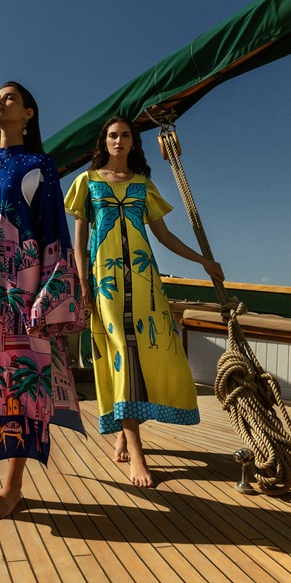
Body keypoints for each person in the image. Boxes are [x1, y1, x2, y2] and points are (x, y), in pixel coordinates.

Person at [0, 81, 85, 533]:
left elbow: (54, 235)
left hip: (22, 299)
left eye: (11, 97)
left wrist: (50, 299)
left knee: (21, 391)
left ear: (28, 114)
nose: (0, 100)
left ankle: (12, 488)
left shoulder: (41, 166)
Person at [64, 116, 224, 488]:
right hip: (105, 282)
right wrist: (82, 282)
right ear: (104, 142)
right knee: (122, 353)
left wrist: (202, 261)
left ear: (133, 142)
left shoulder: (142, 185)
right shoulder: (87, 182)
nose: (118, 140)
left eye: (125, 135)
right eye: (112, 135)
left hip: (144, 280)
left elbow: (164, 236)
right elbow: (79, 239)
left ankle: (126, 430)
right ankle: (137, 451)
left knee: (150, 354)